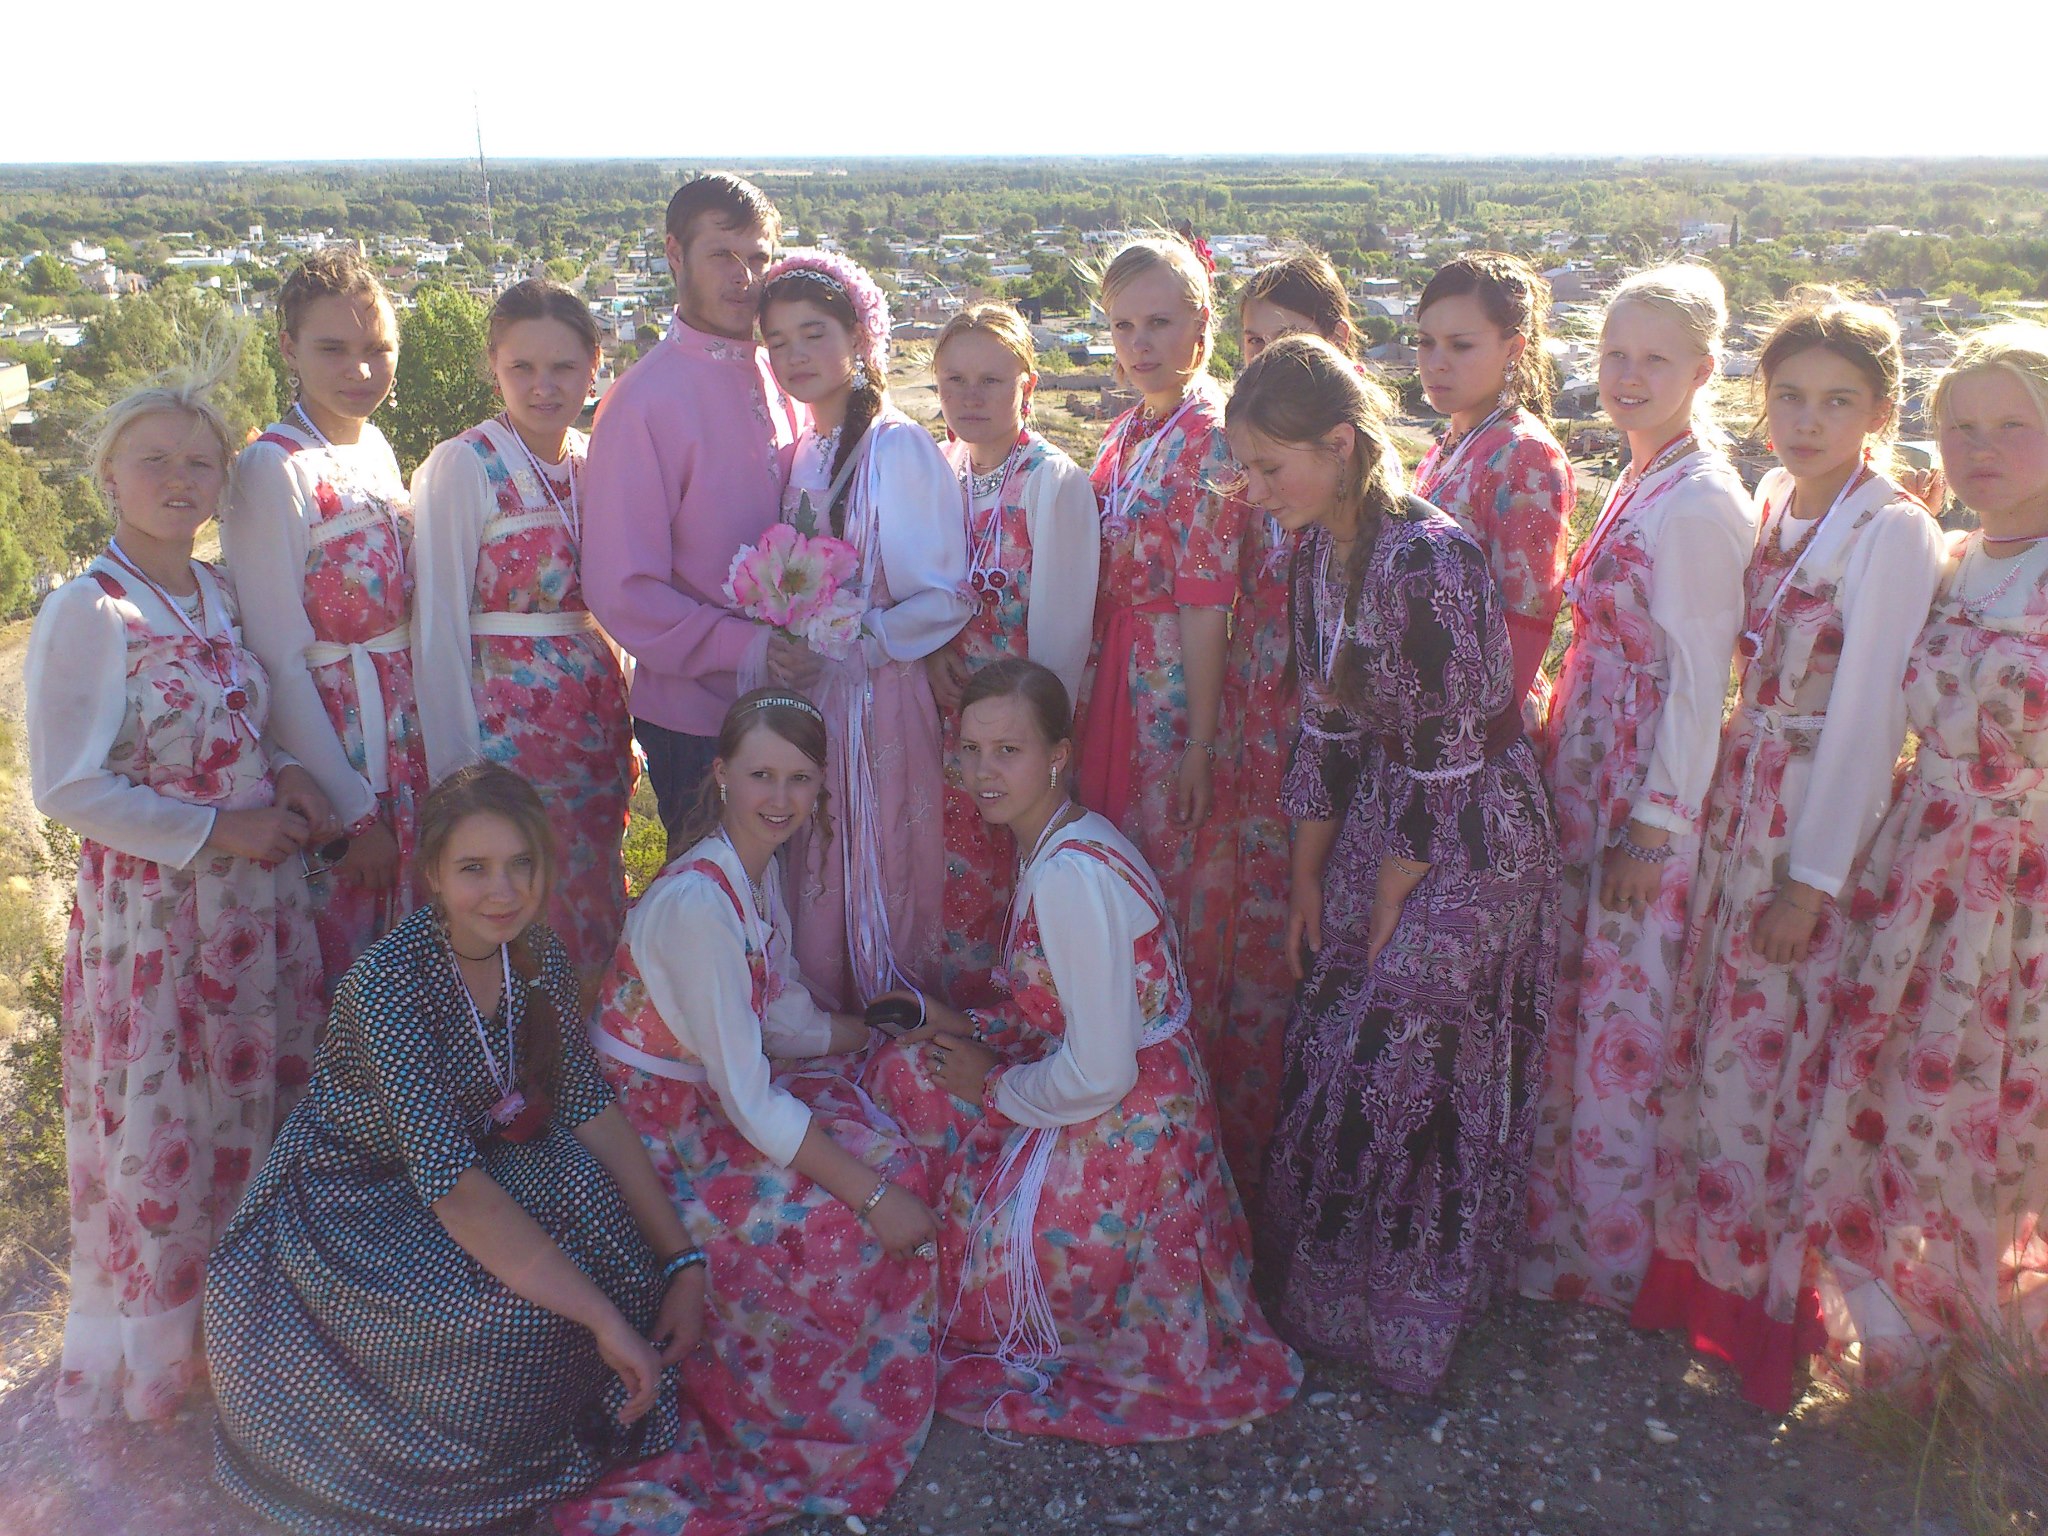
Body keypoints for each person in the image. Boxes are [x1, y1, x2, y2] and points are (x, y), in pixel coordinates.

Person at [205, 764, 702, 1534]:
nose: (503, 891)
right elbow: (454, 1190)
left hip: (474, 1161)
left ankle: (589, 1370)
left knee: (610, 1227)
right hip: (359, 1202)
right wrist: (602, 1318)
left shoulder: (534, 954)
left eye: (521, 864)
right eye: (474, 868)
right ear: (433, 873)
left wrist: (681, 1261)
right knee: (511, 1324)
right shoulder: (390, 986)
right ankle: (473, 1465)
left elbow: (585, 1103)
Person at [1223, 336, 1561, 1394]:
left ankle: (1409, 1314)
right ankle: (1332, 1301)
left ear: (1338, 444)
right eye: (1244, 468)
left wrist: (1386, 889)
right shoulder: (1315, 551)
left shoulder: (1429, 558)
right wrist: (1308, 875)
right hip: (1387, 809)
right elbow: (1325, 725)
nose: (1253, 491)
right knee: (1335, 1026)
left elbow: (1447, 746)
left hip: (1470, 830)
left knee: (1402, 1047)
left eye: (1269, 467)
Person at [1631, 290, 1941, 1412]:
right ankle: (1698, 1281)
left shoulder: (1891, 529)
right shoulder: (1771, 497)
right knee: (1716, 1053)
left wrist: (1809, 885)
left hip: (1804, 820)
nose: (1808, 421)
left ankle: (1769, 1311)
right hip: (1739, 802)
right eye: (1791, 397)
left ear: (1878, 413)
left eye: (1837, 402)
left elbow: (1868, 719)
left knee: (1775, 1060)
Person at [863, 658, 1301, 1441]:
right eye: (971, 750)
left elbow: (1103, 1069)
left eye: (1009, 751)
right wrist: (956, 1027)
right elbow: (1068, 1011)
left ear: (1057, 755)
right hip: (1134, 1100)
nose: (984, 772)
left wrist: (992, 1087)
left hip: (1129, 1134)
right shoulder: (1062, 838)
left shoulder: (1070, 876)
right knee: (908, 1072)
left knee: (945, 1262)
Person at [28, 359, 328, 1422]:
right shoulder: (90, 610)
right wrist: (217, 829)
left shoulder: (216, 592)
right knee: (171, 1126)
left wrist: (287, 775)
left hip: (255, 908)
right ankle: (163, 1369)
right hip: (158, 918)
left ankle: (242, 1342)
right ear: (107, 473)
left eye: (199, 462)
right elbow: (67, 786)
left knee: (252, 1113)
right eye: (153, 459)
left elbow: (243, 722)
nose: (178, 478)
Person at [575, 690, 937, 1532]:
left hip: (702, 1103)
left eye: (799, 779)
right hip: (655, 1134)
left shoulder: (750, 871)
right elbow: (748, 1099)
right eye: (761, 775)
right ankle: (824, 1399)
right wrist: (871, 1198)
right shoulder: (698, 904)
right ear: (721, 775)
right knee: (845, 1217)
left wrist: (866, 1035)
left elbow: (777, 1014)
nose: (780, 797)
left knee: (894, 1106)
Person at [1795, 324, 2048, 1400]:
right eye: (1960, 426)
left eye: (2011, 425)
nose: (1979, 448)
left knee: (1997, 1111)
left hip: (2023, 890)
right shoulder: (1948, 561)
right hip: (1917, 875)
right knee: (1904, 1100)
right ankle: (1908, 1336)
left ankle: (1996, 1356)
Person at [1522, 265, 1758, 1313]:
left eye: (1654, 358)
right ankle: (1561, 1236)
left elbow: (1701, 684)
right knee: (1584, 1007)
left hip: (1640, 789)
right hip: (1596, 769)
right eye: (1614, 352)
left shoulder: (1699, 501)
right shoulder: (1643, 473)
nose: (1626, 374)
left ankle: (1610, 1259)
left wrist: (1655, 828)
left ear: (1703, 369)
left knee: (1624, 1020)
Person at [758, 251, 969, 1011]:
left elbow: (944, 597)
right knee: (818, 855)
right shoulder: (801, 453)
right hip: (813, 702)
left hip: (879, 699)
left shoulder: (896, 446)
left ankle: (891, 1020)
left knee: (879, 861)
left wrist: (855, 640)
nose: (795, 356)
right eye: (778, 341)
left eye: (813, 333)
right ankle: (830, 1026)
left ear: (857, 336)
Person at [1191, 251, 1356, 1207]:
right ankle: (1243, 1164)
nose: (1265, 360)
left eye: (1286, 341)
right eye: (1252, 342)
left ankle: (1301, 1176)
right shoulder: (1251, 448)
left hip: (1322, 725)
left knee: (1312, 926)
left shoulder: (1345, 478)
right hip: (1260, 713)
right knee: (1258, 935)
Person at [412, 279, 632, 986]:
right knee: (517, 901)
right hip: (506, 734)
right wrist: (458, 779)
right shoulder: (465, 464)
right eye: (522, 367)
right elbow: (437, 624)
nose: (543, 386)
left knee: (588, 891)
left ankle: (585, 1045)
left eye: (563, 366)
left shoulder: (594, 461)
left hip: (592, 726)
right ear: (494, 368)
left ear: (594, 367)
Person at [581, 173, 810, 842]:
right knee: (712, 893)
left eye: (759, 257)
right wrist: (750, 648)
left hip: (798, 706)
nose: (745, 277)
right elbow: (622, 590)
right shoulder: (641, 402)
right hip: (699, 722)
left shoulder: (788, 377)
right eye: (722, 255)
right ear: (674, 254)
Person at [224, 247, 426, 978]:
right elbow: (277, 657)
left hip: (404, 739)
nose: (361, 369)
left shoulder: (373, 446)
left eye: (379, 348)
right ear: (289, 348)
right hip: (339, 753)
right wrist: (352, 812)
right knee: (352, 971)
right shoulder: (271, 469)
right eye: (333, 349)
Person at [1072, 236, 1246, 1024]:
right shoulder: (1129, 430)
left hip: (1172, 687)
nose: (1139, 344)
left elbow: (1207, 602)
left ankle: (1168, 1065)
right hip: (1114, 670)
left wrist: (1200, 743)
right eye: (1123, 326)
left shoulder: (1213, 435)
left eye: (1159, 323)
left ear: (1202, 323)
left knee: (1167, 877)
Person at [926, 303, 1099, 1004]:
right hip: (953, 728)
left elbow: (1062, 637)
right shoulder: (943, 470)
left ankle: (1017, 1027)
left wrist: (1032, 749)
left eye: (991, 380)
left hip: (1018, 736)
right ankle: (960, 1022)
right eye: (955, 380)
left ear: (1027, 384)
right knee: (957, 880)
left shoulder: (1053, 482)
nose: (971, 396)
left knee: (1016, 880)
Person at [1412, 253, 1575, 724]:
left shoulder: (1524, 455)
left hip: (1483, 718)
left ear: (1513, 349)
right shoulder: (1451, 443)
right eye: (1425, 343)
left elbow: (1527, 616)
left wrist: (1479, 733)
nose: (1436, 363)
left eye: (1460, 346)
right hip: (1430, 703)